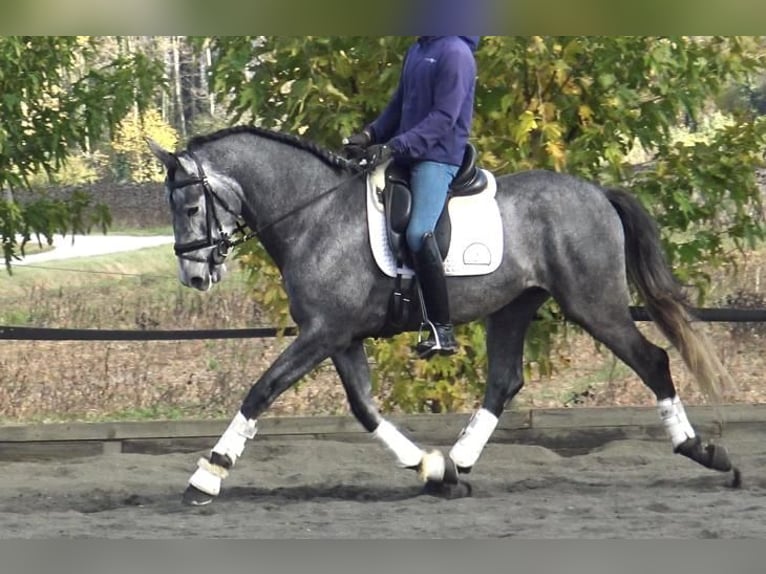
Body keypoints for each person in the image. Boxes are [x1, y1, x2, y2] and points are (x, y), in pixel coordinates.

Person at [344, 36, 480, 359]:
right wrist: (370, 135)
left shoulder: (455, 53)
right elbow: (398, 106)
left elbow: (443, 119)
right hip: (408, 154)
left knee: (419, 233)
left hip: (438, 156)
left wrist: (394, 146)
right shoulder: (418, 50)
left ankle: (442, 330)